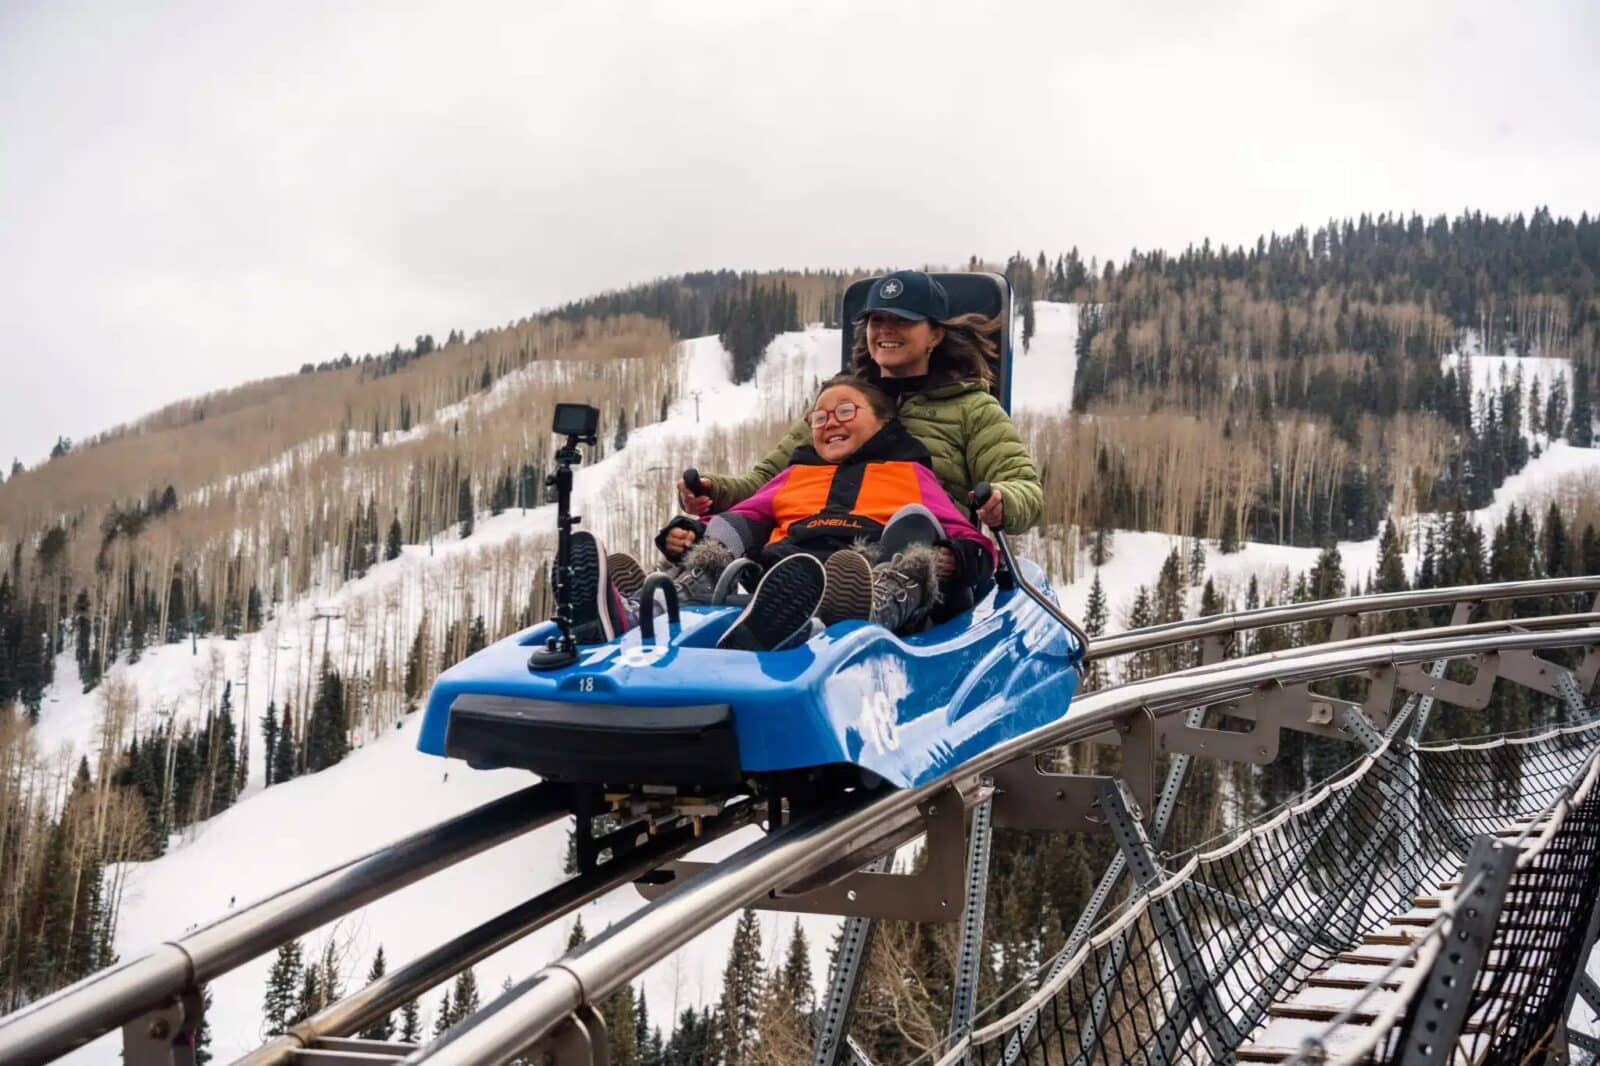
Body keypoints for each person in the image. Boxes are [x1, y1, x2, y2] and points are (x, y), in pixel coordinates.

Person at [567, 376, 997, 651]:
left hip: (868, 575)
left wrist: (954, 557)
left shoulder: (911, 475)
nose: (829, 423)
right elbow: (742, 513)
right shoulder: (795, 475)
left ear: (884, 422)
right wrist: (687, 536)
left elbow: (972, 541)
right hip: (782, 575)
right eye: (819, 417)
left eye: (845, 412)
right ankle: (641, 611)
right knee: (725, 537)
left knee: (915, 534)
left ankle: (839, 619)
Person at [679, 270, 1044, 564]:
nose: (885, 330)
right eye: (876, 320)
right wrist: (716, 491)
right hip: (813, 541)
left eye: (902, 320)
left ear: (935, 333)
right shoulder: (839, 403)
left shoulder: (971, 408)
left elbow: (1024, 487)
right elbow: (769, 482)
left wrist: (1001, 501)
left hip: (915, 554)